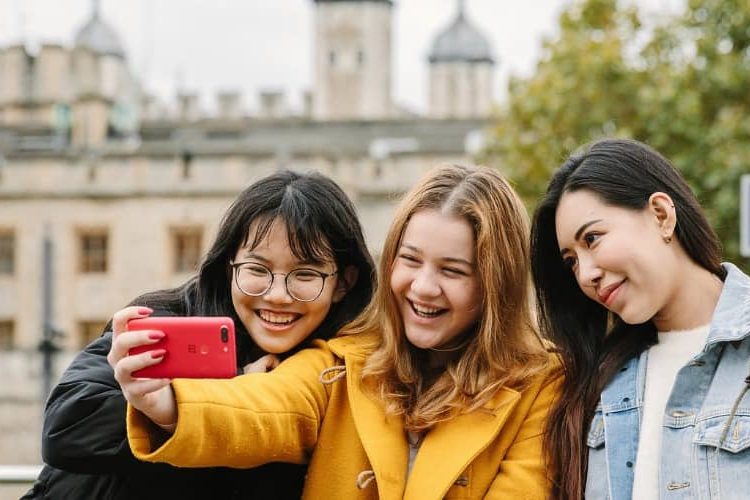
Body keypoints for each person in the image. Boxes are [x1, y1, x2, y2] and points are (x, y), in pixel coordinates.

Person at [113, 164, 562, 499]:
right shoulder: (345, 360)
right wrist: (168, 404)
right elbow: (267, 407)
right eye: (409, 260)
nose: (423, 287)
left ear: (495, 283)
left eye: (453, 270)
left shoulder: (542, 385)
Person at [23, 170, 376, 500]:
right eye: (257, 269)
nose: (277, 295)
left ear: (343, 283)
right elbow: (66, 430)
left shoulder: (344, 367)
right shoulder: (169, 318)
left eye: (305, 275)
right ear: (228, 268)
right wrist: (223, 389)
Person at [531, 138, 749, 500]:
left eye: (593, 238)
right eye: (571, 261)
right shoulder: (592, 385)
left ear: (660, 215)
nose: (585, 274)